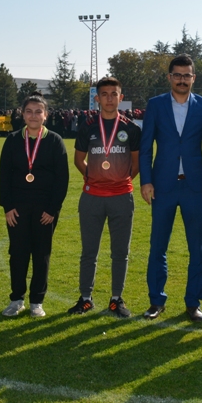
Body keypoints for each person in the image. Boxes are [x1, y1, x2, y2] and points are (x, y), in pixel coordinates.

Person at [139, 55, 202, 321]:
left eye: (187, 75)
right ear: (169, 77)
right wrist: (146, 180)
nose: (182, 80)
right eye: (177, 75)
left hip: (194, 187)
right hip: (163, 186)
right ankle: (156, 301)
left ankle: (193, 303)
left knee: (198, 248)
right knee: (157, 246)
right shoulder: (156, 105)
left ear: (193, 78)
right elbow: (146, 146)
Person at [69, 77, 141, 317]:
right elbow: (79, 160)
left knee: (120, 252)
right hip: (92, 197)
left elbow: (136, 164)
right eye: (105, 94)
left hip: (122, 197)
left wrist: (120, 181)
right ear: (97, 98)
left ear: (121, 97)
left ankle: (116, 299)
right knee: (89, 251)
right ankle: (85, 298)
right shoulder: (88, 126)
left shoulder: (131, 128)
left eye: (114, 94)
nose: (109, 98)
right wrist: (93, 177)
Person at [0, 92, 69, 317]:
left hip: (45, 209)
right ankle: (16, 299)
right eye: (29, 111)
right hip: (17, 208)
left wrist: (52, 209)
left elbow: (62, 178)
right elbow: (4, 176)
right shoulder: (12, 140)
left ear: (45, 115)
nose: (33, 115)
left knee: (41, 254)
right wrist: (8, 206)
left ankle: (37, 301)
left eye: (38, 111)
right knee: (17, 253)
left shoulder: (55, 140)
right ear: (22, 114)